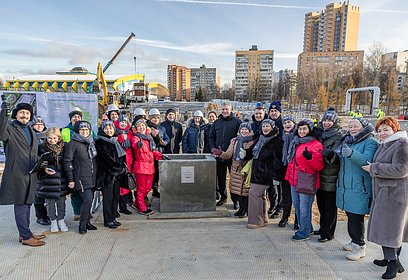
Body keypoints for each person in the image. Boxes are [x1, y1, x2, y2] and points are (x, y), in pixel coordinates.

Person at [364, 117, 407, 279]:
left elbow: (401, 169)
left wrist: (373, 168)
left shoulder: (401, 143)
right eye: (380, 130)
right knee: (388, 229)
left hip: (394, 196)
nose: (382, 133)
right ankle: (390, 259)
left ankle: (393, 263)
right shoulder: (387, 144)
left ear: (394, 129)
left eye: (386, 130)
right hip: (384, 193)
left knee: (389, 230)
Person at [0, 101, 46, 246]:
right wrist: (3, 115)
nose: (24, 115)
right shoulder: (10, 128)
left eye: (27, 113)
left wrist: (43, 165)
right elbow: (1, 134)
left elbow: (34, 152)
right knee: (21, 204)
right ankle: (26, 237)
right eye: (22, 112)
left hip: (31, 173)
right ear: (16, 114)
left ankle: (25, 233)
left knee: (27, 204)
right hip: (17, 173)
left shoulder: (31, 130)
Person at [336, 117, 378, 260]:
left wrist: (351, 153)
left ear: (364, 127)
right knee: (350, 215)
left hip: (360, 187)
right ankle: (354, 241)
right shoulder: (348, 141)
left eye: (356, 126)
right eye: (350, 126)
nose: (352, 128)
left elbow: (367, 161)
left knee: (356, 217)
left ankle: (360, 246)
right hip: (347, 185)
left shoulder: (370, 142)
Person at [285, 119, 324, 241]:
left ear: (310, 130)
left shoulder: (316, 144)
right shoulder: (296, 141)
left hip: (306, 180)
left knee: (304, 208)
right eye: (300, 129)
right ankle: (308, 227)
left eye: (305, 129)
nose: (302, 131)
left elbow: (319, 166)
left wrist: (310, 158)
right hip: (294, 179)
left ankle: (304, 232)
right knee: (297, 206)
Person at [247, 119, 284, 229]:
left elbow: (278, 161)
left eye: (268, 126)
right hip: (257, 173)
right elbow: (252, 152)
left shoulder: (276, 141)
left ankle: (256, 221)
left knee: (254, 194)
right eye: (263, 126)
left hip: (266, 174)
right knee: (261, 196)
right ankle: (263, 218)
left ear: (272, 128)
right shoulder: (260, 138)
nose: (265, 128)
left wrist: (275, 176)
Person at [63, 120, 98, 234]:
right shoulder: (72, 143)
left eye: (86, 130)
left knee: (89, 200)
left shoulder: (91, 142)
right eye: (82, 130)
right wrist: (71, 179)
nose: (84, 132)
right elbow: (67, 161)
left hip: (92, 176)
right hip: (80, 177)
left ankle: (87, 222)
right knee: (87, 200)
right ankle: (82, 225)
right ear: (78, 131)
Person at [215, 122, 255, 218]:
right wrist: (221, 153)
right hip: (235, 169)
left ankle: (245, 210)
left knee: (245, 191)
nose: (244, 131)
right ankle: (241, 209)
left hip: (246, 170)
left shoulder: (252, 141)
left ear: (249, 131)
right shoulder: (235, 141)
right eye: (242, 129)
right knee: (237, 191)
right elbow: (229, 154)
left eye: (246, 129)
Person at [316, 108, 343, 242]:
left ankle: (328, 233)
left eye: (329, 121)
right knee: (321, 204)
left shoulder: (338, 135)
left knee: (330, 206)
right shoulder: (321, 134)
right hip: (320, 174)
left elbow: (336, 156)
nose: (326, 123)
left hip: (331, 175)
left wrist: (328, 154)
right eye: (325, 120)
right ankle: (322, 228)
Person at [37, 127, 70, 233]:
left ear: (58, 137)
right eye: (50, 138)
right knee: (50, 203)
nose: (52, 140)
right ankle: (53, 221)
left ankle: (61, 220)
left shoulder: (64, 147)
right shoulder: (41, 147)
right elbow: (38, 162)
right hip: (48, 180)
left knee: (61, 202)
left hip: (61, 178)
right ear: (46, 137)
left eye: (54, 138)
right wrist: (44, 168)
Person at [209, 102, 242, 207]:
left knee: (234, 179)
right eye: (223, 109)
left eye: (227, 109)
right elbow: (211, 137)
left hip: (232, 156)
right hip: (219, 156)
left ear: (231, 109)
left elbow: (241, 137)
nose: (225, 111)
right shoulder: (216, 123)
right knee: (221, 178)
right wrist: (213, 148)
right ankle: (223, 197)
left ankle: (235, 200)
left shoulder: (237, 122)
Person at [96, 120, 126, 229]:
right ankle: (108, 220)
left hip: (117, 175)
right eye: (106, 128)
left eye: (111, 128)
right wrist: (118, 168)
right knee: (108, 199)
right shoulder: (100, 142)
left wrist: (122, 167)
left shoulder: (115, 141)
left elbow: (121, 156)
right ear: (103, 130)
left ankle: (113, 217)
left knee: (115, 197)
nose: (109, 130)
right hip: (107, 175)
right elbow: (105, 159)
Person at [129, 119, 163, 215]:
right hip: (141, 167)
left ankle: (136, 203)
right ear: (136, 128)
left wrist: (160, 155)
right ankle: (142, 208)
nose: (141, 127)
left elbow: (151, 151)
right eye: (139, 126)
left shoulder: (149, 138)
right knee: (141, 188)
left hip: (150, 167)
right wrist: (138, 145)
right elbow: (135, 145)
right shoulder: (136, 137)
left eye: (143, 125)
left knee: (148, 188)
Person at [61, 107, 83, 221]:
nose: (76, 118)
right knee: (75, 190)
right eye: (74, 117)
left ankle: (85, 211)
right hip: (72, 164)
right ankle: (77, 212)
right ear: (71, 119)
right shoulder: (65, 130)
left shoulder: (85, 128)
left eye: (78, 116)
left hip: (84, 164)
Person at [31, 115, 51, 226]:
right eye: (37, 124)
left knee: (46, 192)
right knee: (38, 195)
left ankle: (47, 214)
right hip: (36, 167)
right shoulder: (30, 135)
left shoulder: (47, 135)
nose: (39, 126)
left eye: (41, 124)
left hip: (47, 167)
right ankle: (40, 216)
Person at [279, 114, 297, 228]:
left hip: (296, 170)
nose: (287, 124)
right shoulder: (281, 137)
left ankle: (297, 220)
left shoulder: (298, 136)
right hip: (284, 169)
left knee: (297, 197)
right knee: (286, 196)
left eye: (289, 122)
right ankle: (285, 217)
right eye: (285, 123)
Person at [146, 108, 169, 198]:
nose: (156, 119)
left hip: (159, 152)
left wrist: (165, 142)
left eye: (157, 118)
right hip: (150, 153)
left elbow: (167, 138)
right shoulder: (147, 128)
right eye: (154, 118)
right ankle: (147, 191)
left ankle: (155, 189)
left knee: (158, 172)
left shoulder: (162, 128)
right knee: (150, 173)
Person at [267, 101, 284, 218]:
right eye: (271, 111)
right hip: (269, 159)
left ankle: (280, 207)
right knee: (270, 185)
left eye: (275, 111)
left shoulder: (283, 124)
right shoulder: (267, 124)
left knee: (280, 186)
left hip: (280, 160)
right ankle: (272, 204)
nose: (273, 113)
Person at [115, 113, 133, 215]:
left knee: (126, 185)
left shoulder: (130, 133)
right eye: (121, 122)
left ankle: (123, 206)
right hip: (119, 162)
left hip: (128, 162)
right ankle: (118, 207)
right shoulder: (115, 133)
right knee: (118, 186)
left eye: (125, 122)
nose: (123, 124)